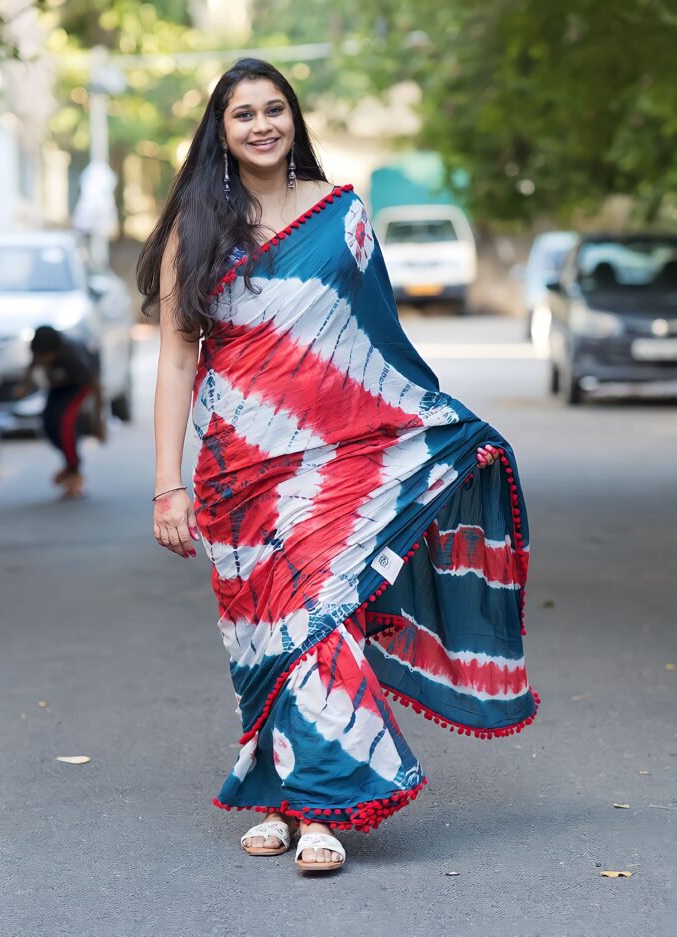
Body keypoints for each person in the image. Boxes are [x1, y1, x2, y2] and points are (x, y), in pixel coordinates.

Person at [139, 58, 538, 873]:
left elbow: (379, 343)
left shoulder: (342, 215)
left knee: (320, 618)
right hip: (237, 467)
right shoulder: (197, 225)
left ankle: (323, 809)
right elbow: (178, 360)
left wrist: (435, 423)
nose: (260, 125)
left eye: (273, 108)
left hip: (337, 464)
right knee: (266, 635)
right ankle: (282, 792)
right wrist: (167, 482)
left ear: (295, 118)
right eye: (242, 113)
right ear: (220, 130)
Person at [15, 325, 104, 498]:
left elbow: (95, 387)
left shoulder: (72, 357)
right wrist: (24, 385)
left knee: (65, 424)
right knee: (48, 424)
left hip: (79, 387)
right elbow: (32, 364)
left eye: (45, 357)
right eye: (39, 356)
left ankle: (74, 470)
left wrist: (98, 422)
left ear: (56, 351)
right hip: (58, 388)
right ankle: (70, 461)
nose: (43, 361)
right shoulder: (40, 352)